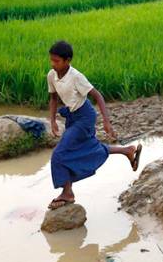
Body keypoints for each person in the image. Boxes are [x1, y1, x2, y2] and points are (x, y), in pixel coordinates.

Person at [46, 40, 141, 210]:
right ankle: (127, 151)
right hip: (72, 118)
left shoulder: (76, 77)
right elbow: (53, 98)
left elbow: (98, 96)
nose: (53, 64)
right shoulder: (51, 75)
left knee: (59, 154)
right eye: (51, 60)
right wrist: (52, 120)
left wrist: (106, 121)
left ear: (67, 61)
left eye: (57, 61)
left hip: (84, 117)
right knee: (88, 146)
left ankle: (67, 193)